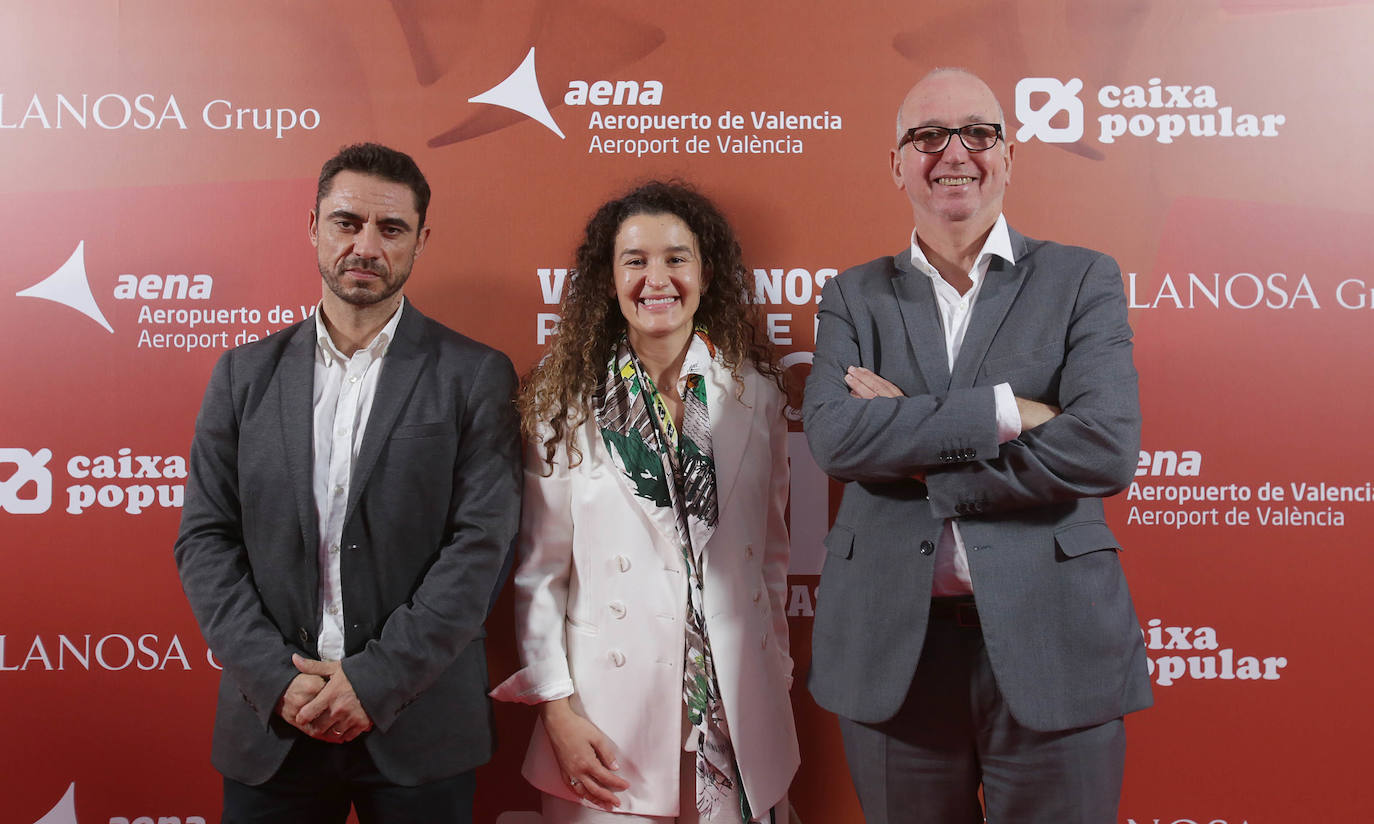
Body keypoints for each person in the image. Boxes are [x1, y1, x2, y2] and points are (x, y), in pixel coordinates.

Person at [802, 68, 1152, 823]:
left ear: (1008, 153)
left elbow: (1104, 447)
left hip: (1057, 643)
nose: (953, 152)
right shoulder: (852, 295)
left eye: (978, 132)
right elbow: (835, 438)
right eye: (927, 136)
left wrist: (916, 445)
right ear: (897, 164)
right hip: (895, 654)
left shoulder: (1081, 278)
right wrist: (1008, 410)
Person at [174, 142, 521, 823]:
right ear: (313, 227)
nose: (365, 245)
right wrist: (277, 681)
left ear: (421, 239)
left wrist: (374, 679)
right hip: (272, 725)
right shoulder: (242, 377)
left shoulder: (475, 375)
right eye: (347, 222)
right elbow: (204, 541)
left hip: (420, 727)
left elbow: (482, 546)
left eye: (390, 229)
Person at [491, 181, 798, 823]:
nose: (656, 278)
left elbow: (769, 559)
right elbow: (540, 575)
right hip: (607, 721)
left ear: (705, 273)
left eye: (676, 258)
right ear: (608, 280)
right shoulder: (561, 403)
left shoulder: (756, 397)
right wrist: (557, 711)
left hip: (739, 714)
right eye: (635, 260)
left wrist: (776, 677)